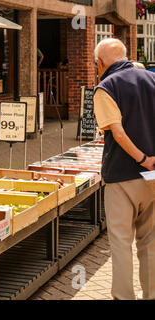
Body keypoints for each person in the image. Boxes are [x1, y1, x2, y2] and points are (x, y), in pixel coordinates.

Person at [93, 38, 155, 300]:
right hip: (152, 178)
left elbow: (117, 133)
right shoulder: (151, 79)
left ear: (100, 63)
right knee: (150, 243)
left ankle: (124, 297)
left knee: (120, 243)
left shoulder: (105, 87)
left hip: (122, 176)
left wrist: (142, 158)